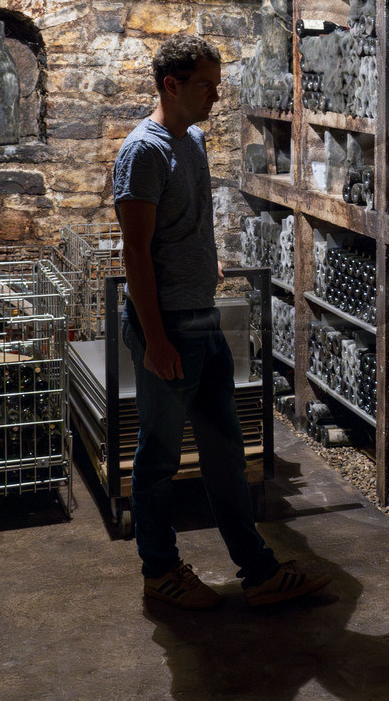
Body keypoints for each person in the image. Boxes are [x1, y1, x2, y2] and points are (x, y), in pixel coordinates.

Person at [113, 33, 332, 609]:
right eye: (207, 84)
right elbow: (133, 253)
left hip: (203, 321)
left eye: (217, 81)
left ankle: (256, 570)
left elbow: (186, 226)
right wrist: (155, 339)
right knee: (158, 455)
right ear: (172, 85)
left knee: (225, 451)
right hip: (170, 328)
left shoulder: (195, 140)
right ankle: (159, 572)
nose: (217, 93)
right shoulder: (144, 151)